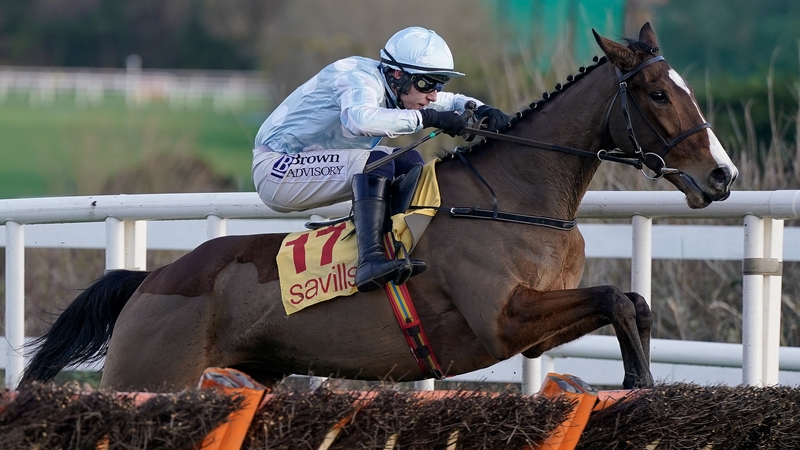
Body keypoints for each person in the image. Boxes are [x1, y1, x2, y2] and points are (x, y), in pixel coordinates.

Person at [252, 26, 512, 292]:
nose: (432, 95)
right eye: (427, 84)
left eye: (439, 84)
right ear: (397, 74)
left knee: (410, 161)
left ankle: (401, 244)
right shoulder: (358, 77)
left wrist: (482, 108)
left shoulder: (398, 86)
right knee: (379, 160)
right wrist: (428, 118)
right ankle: (370, 261)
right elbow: (359, 120)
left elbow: (450, 101)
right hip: (277, 170)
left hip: (310, 166)